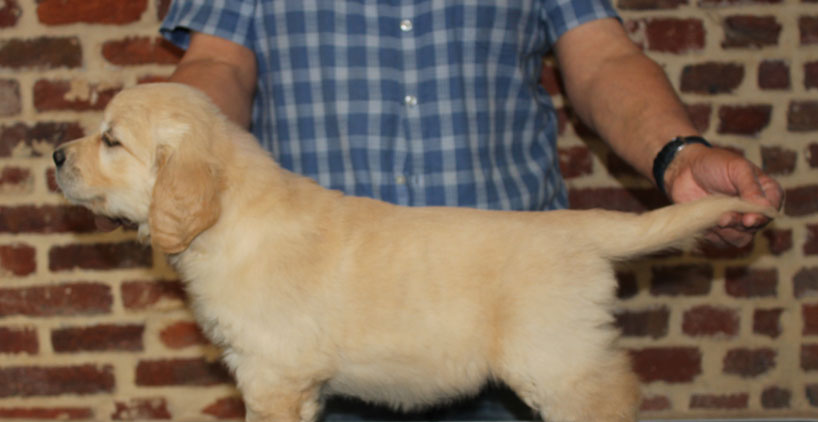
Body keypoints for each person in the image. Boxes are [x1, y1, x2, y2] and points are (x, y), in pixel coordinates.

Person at [159, 1, 782, 248]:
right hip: (312, 294)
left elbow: (602, 60)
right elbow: (219, 63)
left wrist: (677, 154)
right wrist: (164, 152)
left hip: (511, 287)